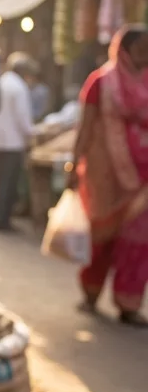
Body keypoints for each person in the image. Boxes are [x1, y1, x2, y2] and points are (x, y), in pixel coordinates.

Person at [71, 25, 148, 327]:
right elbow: (86, 125)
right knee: (101, 237)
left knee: (138, 241)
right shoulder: (100, 82)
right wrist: (74, 163)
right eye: (140, 49)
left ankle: (128, 304)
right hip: (104, 175)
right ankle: (90, 292)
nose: (145, 56)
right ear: (124, 49)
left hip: (142, 178)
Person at [0, 52, 35, 231]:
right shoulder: (18, 87)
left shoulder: (1, 83)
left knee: (0, 182)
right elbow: (23, 118)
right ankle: (2, 220)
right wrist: (32, 133)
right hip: (12, 143)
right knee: (8, 183)